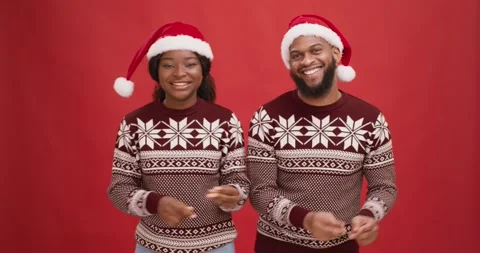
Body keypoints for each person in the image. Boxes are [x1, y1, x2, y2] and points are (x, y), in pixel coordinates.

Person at [246, 14, 398, 253]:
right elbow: (259, 191)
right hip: (277, 246)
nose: (307, 61)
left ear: (335, 54)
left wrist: (369, 215)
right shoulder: (268, 117)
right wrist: (306, 220)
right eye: (297, 55)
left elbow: (384, 187)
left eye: (316, 50)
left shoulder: (369, 119)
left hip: (341, 247)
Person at [107, 21, 250, 253]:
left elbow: (240, 183)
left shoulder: (225, 120)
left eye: (190, 64)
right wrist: (156, 203)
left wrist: (234, 195)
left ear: (202, 70)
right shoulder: (134, 123)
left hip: (216, 247)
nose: (179, 73)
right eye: (168, 65)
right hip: (153, 247)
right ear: (156, 71)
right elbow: (119, 188)